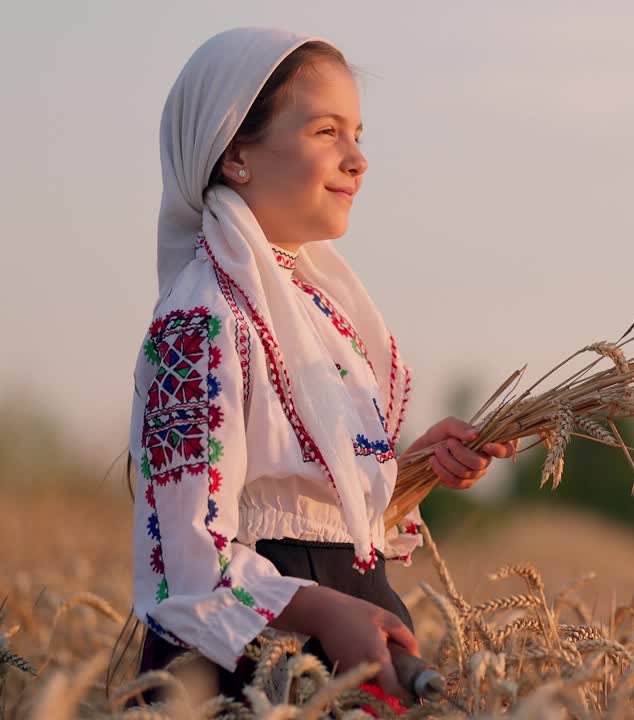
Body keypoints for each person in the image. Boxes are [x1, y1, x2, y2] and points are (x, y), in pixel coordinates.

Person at [123, 26, 515, 704]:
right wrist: (329, 612)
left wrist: (411, 471)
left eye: (358, 132)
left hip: (348, 638)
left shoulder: (321, 314)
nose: (357, 158)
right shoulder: (200, 320)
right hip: (248, 662)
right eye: (326, 131)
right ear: (236, 154)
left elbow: (315, 517)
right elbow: (188, 564)